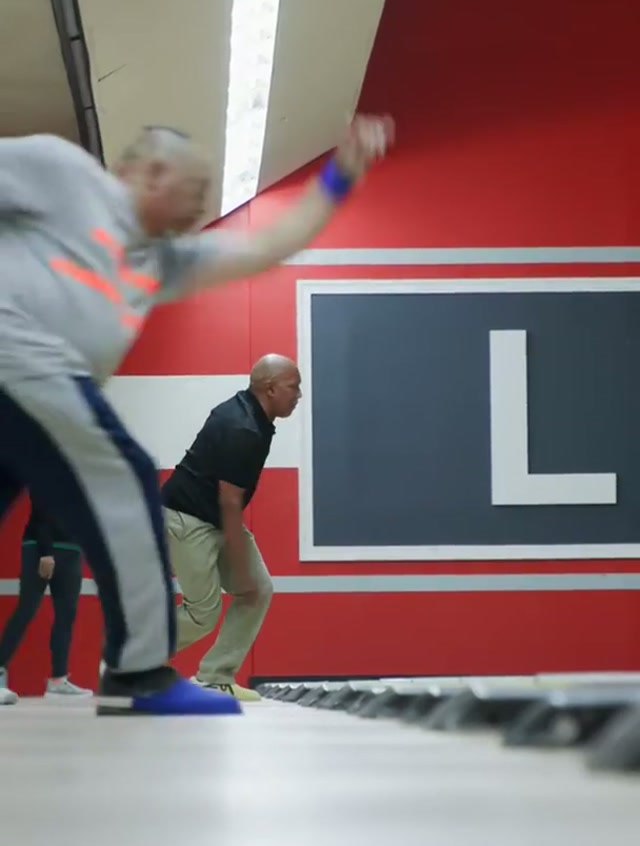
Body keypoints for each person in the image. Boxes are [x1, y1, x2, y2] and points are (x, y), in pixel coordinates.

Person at [0, 114, 394, 715]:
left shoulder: (159, 260)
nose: (203, 203)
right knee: (125, 479)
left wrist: (339, 179)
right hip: (22, 357)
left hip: (25, 397)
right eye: (197, 187)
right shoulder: (62, 172)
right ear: (154, 172)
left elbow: (263, 248)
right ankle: (138, 673)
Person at [162, 355, 300, 701]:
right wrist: (238, 560)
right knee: (202, 612)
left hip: (212, 517)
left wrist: (241, 566)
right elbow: (229, 501)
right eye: (293, 387)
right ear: (270, 389)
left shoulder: (251, 414)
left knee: (256, 590)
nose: (298, 395)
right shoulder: (244, 428)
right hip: (186, 518)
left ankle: (214, 677)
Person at [0, 496, 92, 705]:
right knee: (26, 609)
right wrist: (46, 552)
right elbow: (42, 509)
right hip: (40, 547)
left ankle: (58, 680)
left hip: (72, 549)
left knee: (66, 616)